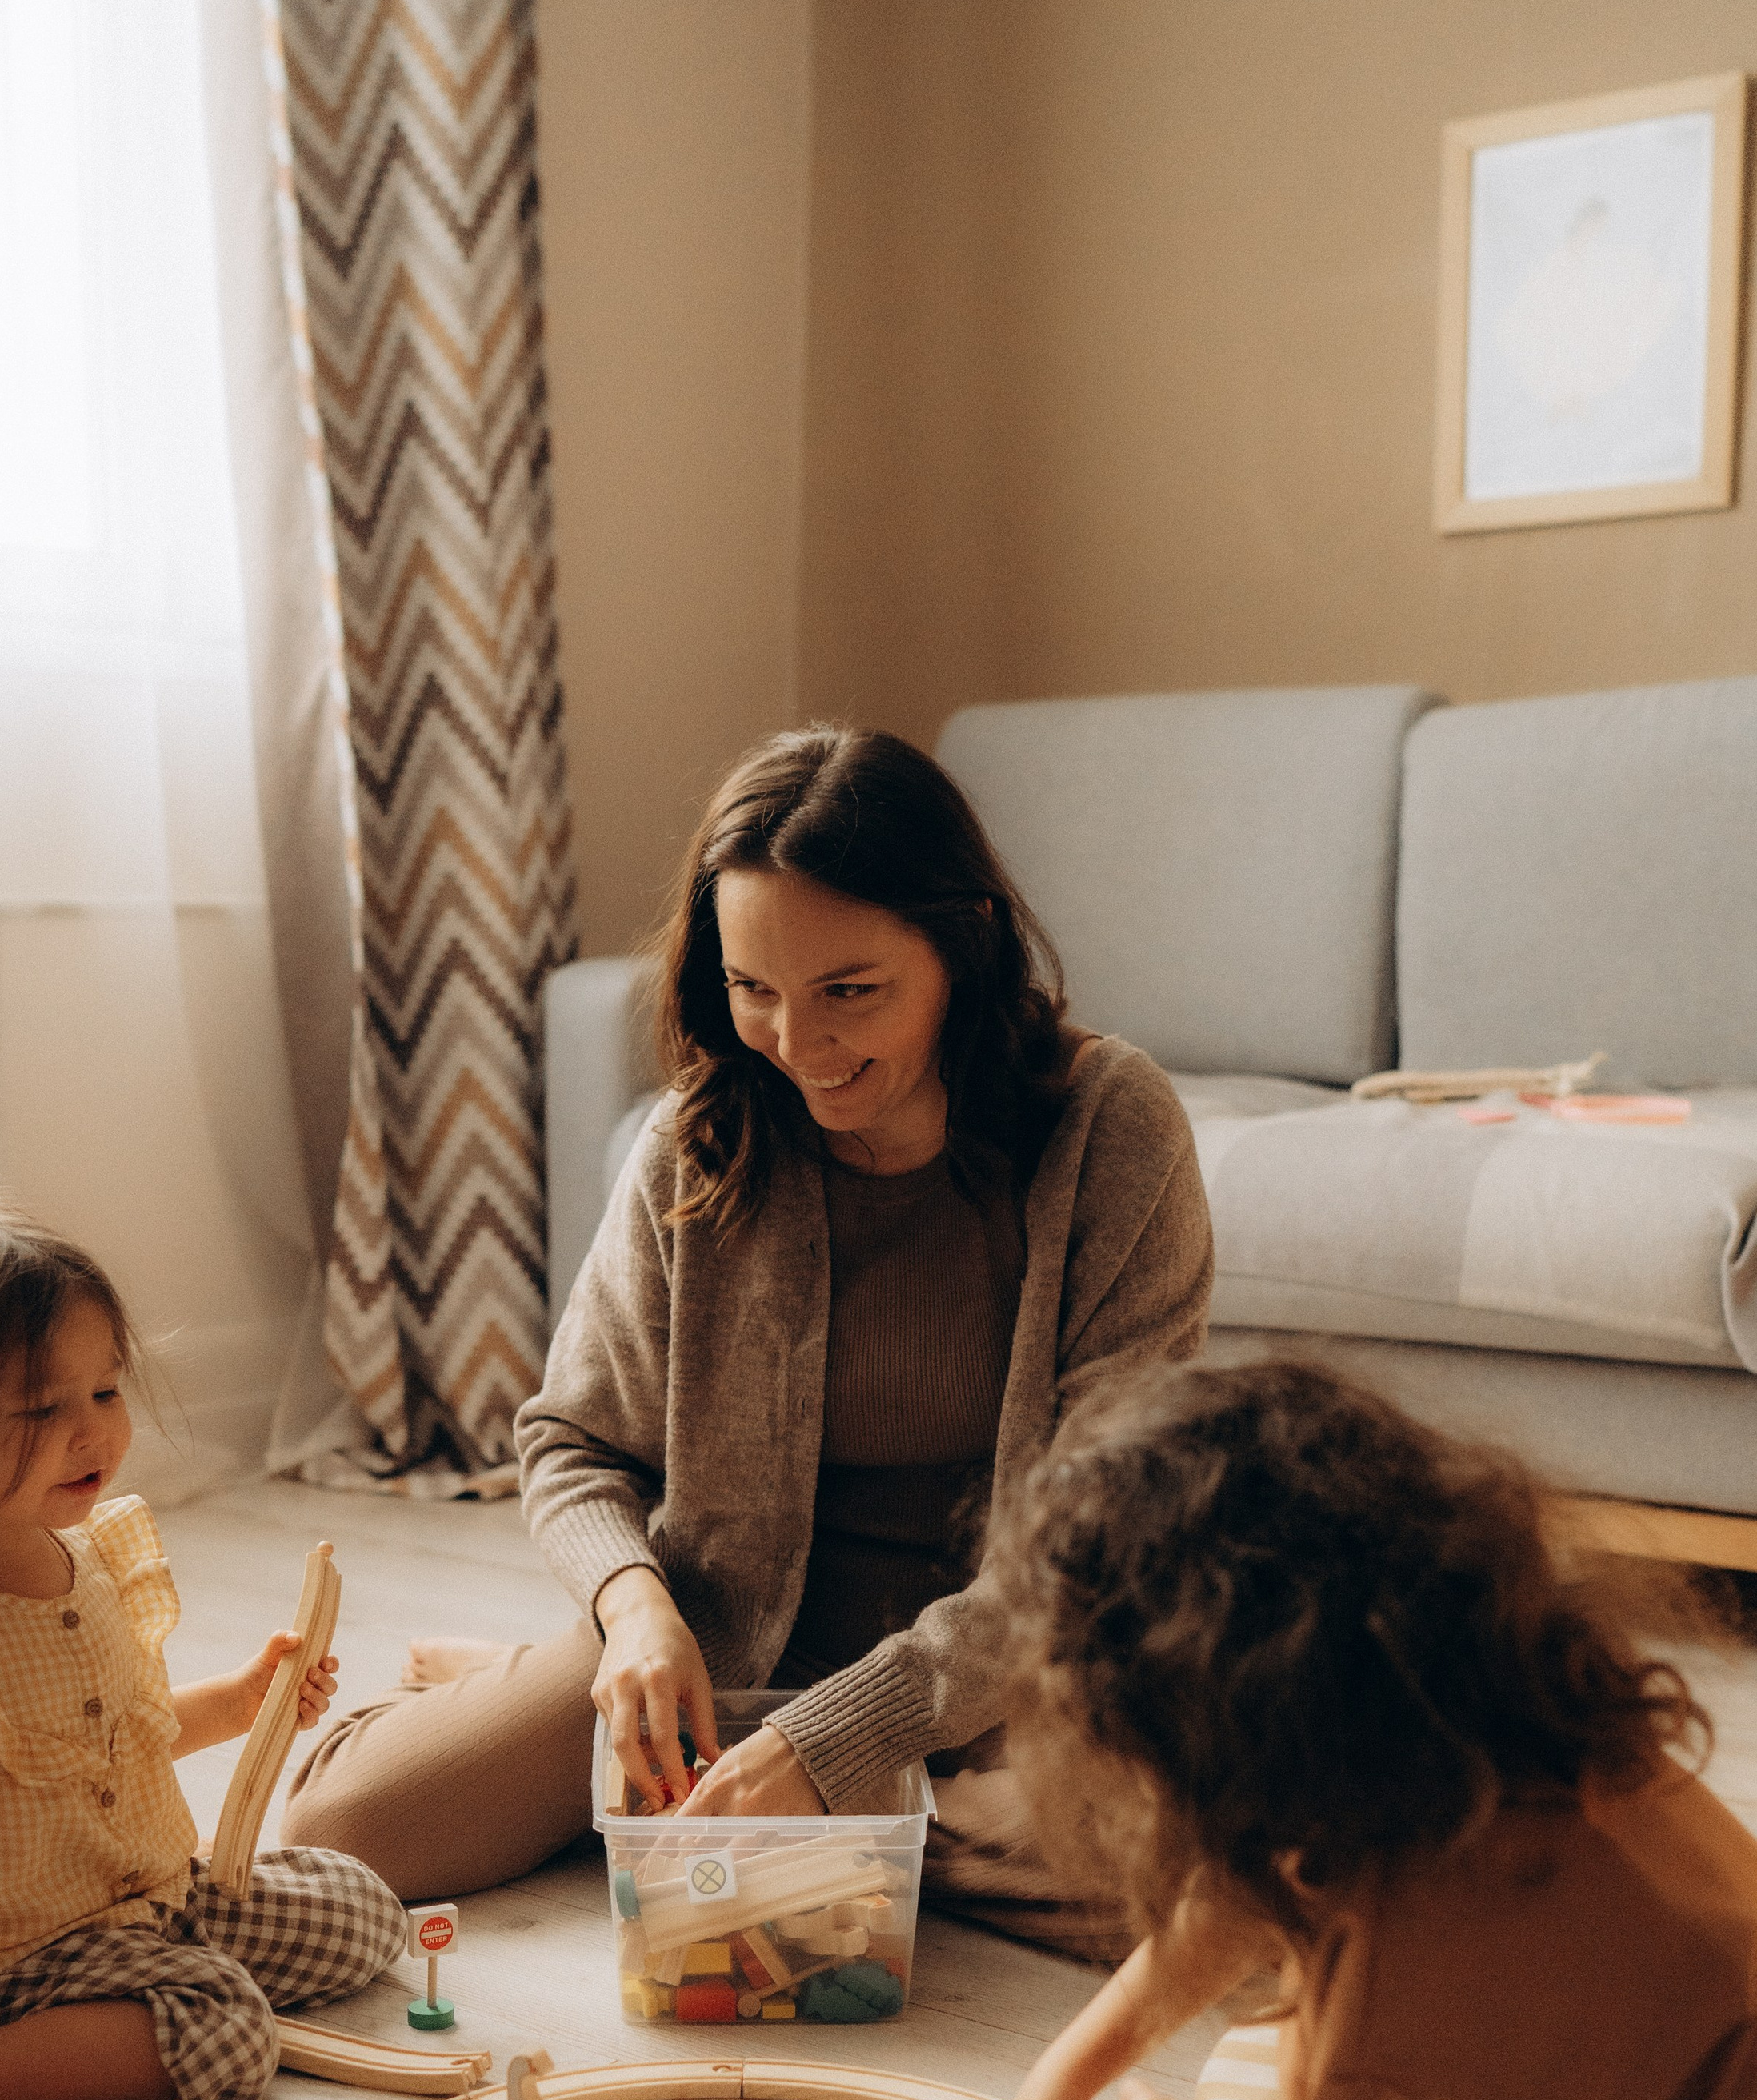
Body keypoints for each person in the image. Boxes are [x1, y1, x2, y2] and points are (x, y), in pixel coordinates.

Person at [286, 724, 1214, 1942]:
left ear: (966, 937)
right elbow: (571, 1442)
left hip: (1001, 1673)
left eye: (850, 991)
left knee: (1193, 1874)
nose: (799, 1045)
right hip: (712, 1648)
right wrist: (633, 1610)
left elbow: (1098, 1546)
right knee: (333, 1835)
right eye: (752, 989)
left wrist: (843, 1737)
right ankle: (730, 1797)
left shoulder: (1110, 1129)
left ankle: (691, 1805)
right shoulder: (700, 1141)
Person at [969, 1357, 1757, 2100]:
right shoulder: (1465, 1737)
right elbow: (1252, 1889)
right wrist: (1061, 2077)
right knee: (1259, 2053)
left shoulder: (1456, 1964)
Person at [0, 1200, 403, 2100]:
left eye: (106, 1391)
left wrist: (242, 1703)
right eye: (41, 1409)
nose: (92, 1432)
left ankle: (146, 1997)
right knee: (231, 2035)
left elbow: (121, 1741)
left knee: (361, 1906)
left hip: (141, 1904)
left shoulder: (88, 1562)